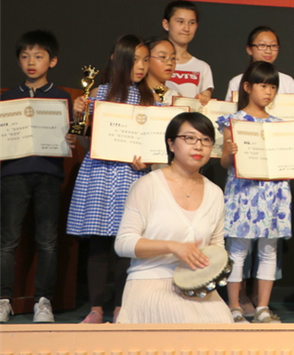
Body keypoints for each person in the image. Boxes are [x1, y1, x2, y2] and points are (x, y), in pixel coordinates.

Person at [218, 61, 294, 323]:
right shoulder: (234, 121)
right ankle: (234, 306)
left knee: (269, 251)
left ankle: (262, 307)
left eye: (272, 87)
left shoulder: (281, 125)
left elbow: (291, 162)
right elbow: (224, 162)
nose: (268, 92)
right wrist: (231, 153)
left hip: (273, 193)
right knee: (237, 250)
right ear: (248, 87)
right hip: (243, 192)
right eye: (263, 86)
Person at [113, 113, 231, 324]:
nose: (198, 146)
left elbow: (216, 246)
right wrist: (173, 247)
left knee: (224, 323)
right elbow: (123, 243)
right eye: (189, 138)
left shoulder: (215, 193)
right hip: (151, 280)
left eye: (206, 140)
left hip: (196, 285)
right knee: (186, 321)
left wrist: (210, 264)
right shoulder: (147, 185)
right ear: (171, 144)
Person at [66, 34, 151, 323]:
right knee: (99, 245)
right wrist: (79, 117)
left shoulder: (149, 99)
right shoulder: (97, 94)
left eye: (145, 60)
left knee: (127, 245)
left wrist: (147, 159)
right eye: (135, 60)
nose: (141, 66)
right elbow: (85, 142)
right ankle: (96, 309)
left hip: (132, 175)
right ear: (118, 60)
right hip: (100, 174)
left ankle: (121, 309)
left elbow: (154, 142)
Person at [0, 30, 76, 324]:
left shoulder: (62, 98)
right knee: (7, 241)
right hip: (13, 174)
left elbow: (71, 137)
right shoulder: (8, 98)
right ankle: (3, 299)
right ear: (19, 61)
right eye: (25, 56)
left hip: (48, 174)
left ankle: (43, 301)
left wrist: (71, 139)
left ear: (52, 61)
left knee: (47, 241)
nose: (31, 62)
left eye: (38, 56)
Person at [162, 0, 213, 105]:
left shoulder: (202, 67)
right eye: (180, 22)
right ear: (166, 24)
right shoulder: (153, 61)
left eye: (191, 23)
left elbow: (205, 100)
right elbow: (149, 88)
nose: (186, 28)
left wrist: (203, 99)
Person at [225, 26, 294, 101]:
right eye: (262, 45)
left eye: (273, 46)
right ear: (249, 49)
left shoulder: (287, 82)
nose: (268, 51)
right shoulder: (237, 82)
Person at [143, 37, 178, 105]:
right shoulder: (135, 93)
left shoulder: (176, 98)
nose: (170, 63)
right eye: (162, 57)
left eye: (173, 58)